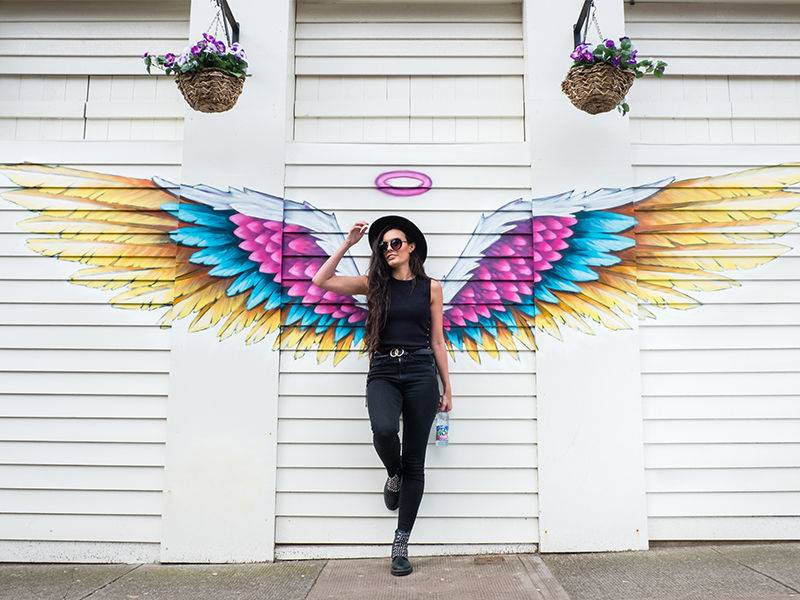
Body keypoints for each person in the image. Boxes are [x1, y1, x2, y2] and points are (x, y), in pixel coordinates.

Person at [311, 215, 453, 576]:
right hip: (384, 372)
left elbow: (437, 339)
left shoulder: (432, 287)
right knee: (384, 430)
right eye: (382, 245)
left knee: (416, 462)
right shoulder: (373, 285)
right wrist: (348, 244)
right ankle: (393, 473)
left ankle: (400, 544)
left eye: (394, 243)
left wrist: (447, 386)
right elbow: (321, 280)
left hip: (422, 373)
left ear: (411, 247)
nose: (388, 249)